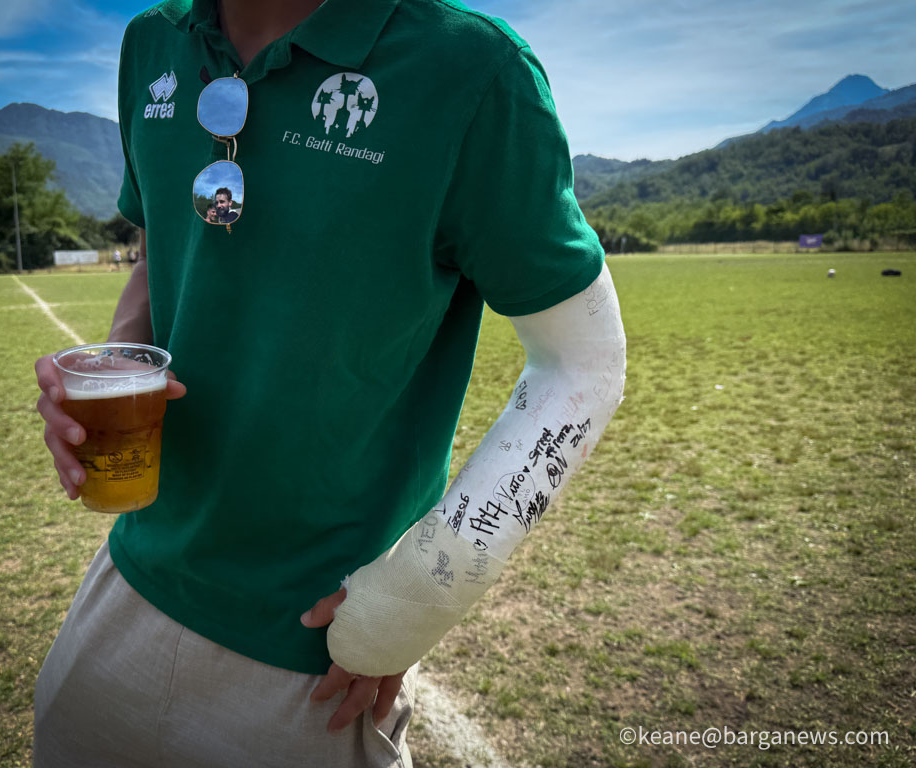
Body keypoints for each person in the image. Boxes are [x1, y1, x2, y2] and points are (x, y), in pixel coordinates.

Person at [32, 0, 626, 766]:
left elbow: (583, 362)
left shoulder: (472, 68)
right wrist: (118, 371)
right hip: (124, 587)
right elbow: (162, 250)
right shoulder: (151, 41)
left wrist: (414, 601)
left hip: (313, 658)